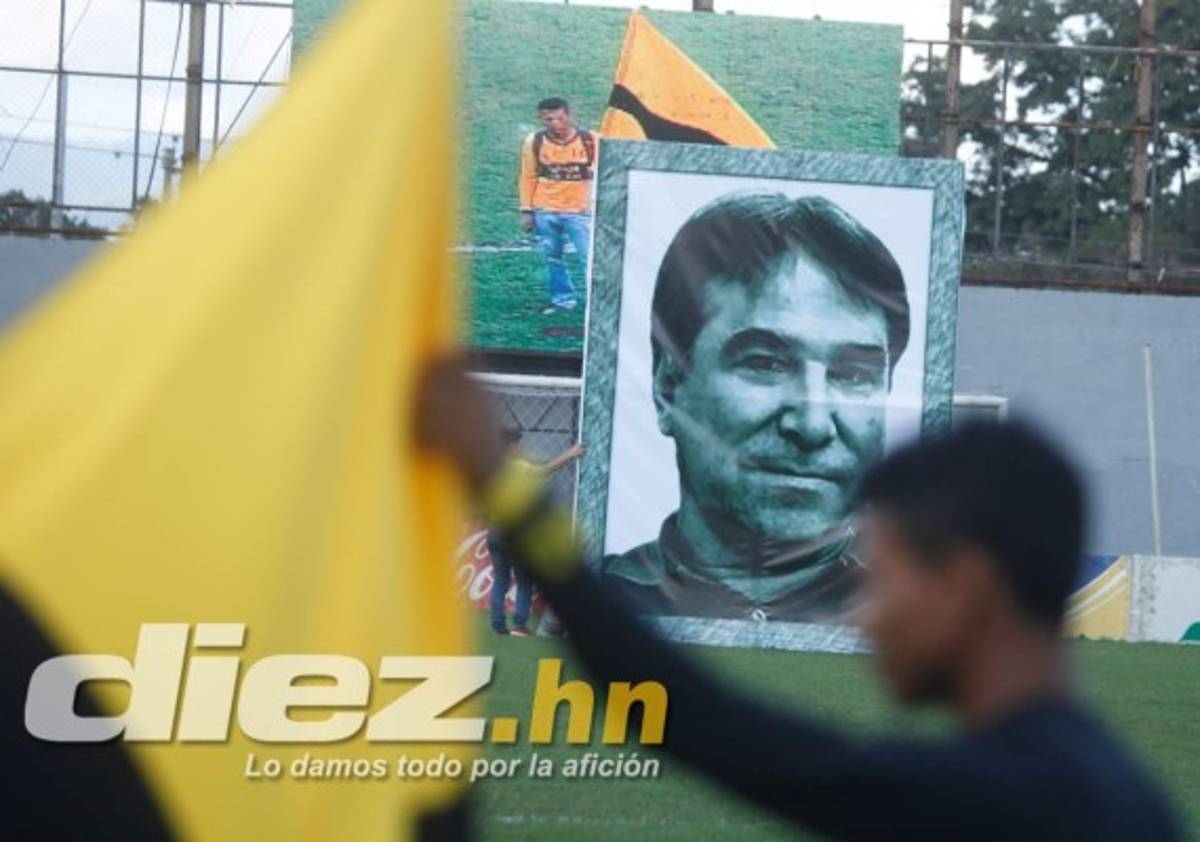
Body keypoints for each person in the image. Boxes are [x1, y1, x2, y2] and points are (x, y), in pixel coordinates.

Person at [418, 359, 1181, 841]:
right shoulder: (1110, 792)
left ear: (966, 583)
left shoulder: (1015, 802)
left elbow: (709, 725)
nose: (862, 615)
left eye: (880, 580)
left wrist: (509, 498)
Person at [605, 192, 910, 623]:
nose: (813, 424)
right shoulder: (594, 606)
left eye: (852, 376)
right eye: (766, 364)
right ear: (668, 388)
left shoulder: (918, 622)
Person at [487, 428, 585, 636]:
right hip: (513, 531)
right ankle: (519, 625)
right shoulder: (518, 466)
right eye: (517, 444)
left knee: (500, 579)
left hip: (494, 530)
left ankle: (497, 625)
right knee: (524, 580)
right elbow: (544, 471)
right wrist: (571, 454)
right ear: (511, 447)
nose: (519, 448)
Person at [518, 97, 597, 314]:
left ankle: (598, 303)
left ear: (569, 116)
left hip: (581, 211)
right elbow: (528, 176)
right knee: (553, 257)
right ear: (541, 119)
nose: (555, 124)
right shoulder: (534, 142)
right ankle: (563, 300)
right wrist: (526, 210)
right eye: (549, 120)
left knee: (590, 258)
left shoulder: (591, 140)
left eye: (559, 119)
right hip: (546, 210)